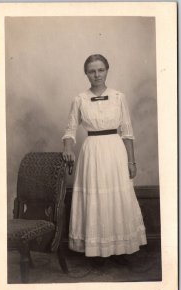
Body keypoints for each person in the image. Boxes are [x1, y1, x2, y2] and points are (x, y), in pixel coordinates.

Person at [62, 54, 147, 260]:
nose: (97, 74)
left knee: (116, 195)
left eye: (101, 70)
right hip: (92, 152)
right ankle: (96, 250)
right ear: (86, 74)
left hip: (115, 151)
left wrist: (131, 161)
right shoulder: (79, 99)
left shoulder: (118, 97)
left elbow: (127, 132)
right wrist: (68, 148)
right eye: (92, 71)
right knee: (95, 196)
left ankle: (118, 249)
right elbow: (70, 130)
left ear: (107, 70)